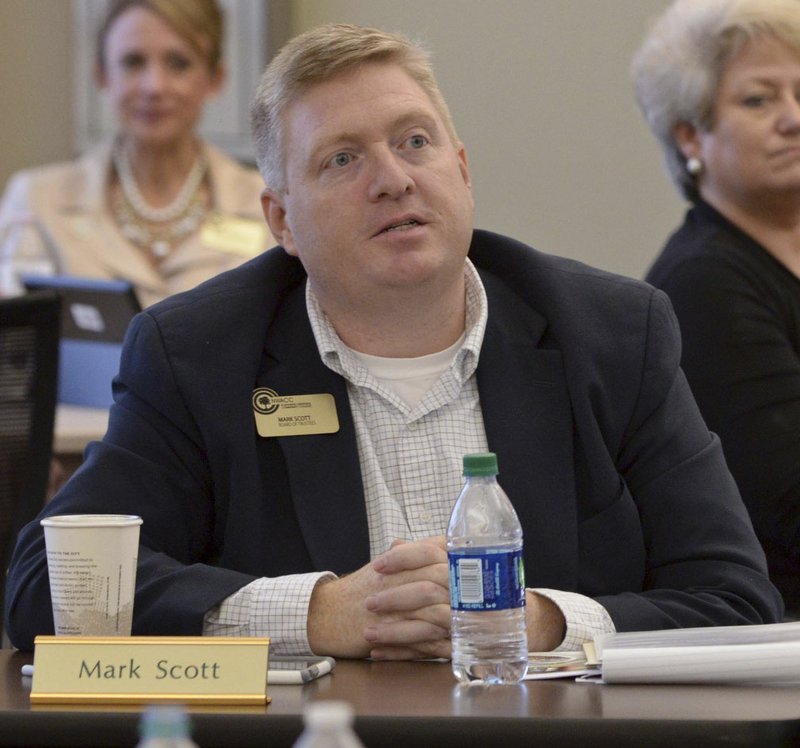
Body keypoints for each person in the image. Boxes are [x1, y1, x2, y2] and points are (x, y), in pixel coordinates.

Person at [4, 23, 782, 656]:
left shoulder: (613, 333)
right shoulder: (198, 352)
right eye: (342, 159)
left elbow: (736, 600)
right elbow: (48, 584)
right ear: (281, 222)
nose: (393, 179)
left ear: (463, 170)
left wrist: (539, 621)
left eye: (414, 142)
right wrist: (317, 614)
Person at [633, 0, 800, 612]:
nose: (792, 119)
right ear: (690, 135)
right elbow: (788, 502)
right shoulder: (703, 282)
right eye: (759, 100)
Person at [0, 0, 271, 307]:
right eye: (133, 62)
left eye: (178, 63)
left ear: (215, 78)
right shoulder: (37, 201)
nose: (154, 86)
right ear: (102, 75)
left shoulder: (266, 204)